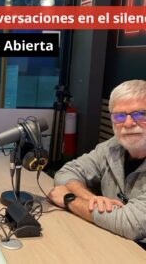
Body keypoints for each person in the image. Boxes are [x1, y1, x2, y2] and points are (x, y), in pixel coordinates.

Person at [48, 79, 146, 244]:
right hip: (112, 240)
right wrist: (91, 198)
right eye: (120, 116)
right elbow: (67, 172)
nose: (128, 123)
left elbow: (131, 224)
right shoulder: (113, 146)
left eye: (140, 114)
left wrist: (69, 199)